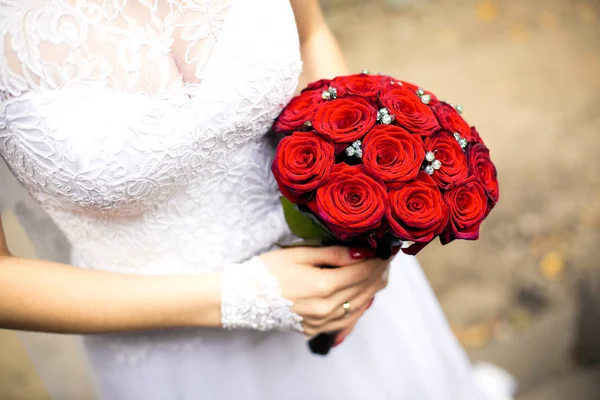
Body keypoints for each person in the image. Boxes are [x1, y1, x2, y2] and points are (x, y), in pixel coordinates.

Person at [0, 1, 513, 399]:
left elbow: (312, 35)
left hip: (353, 290)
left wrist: (365, 223)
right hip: (180, 355)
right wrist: (245, 296)